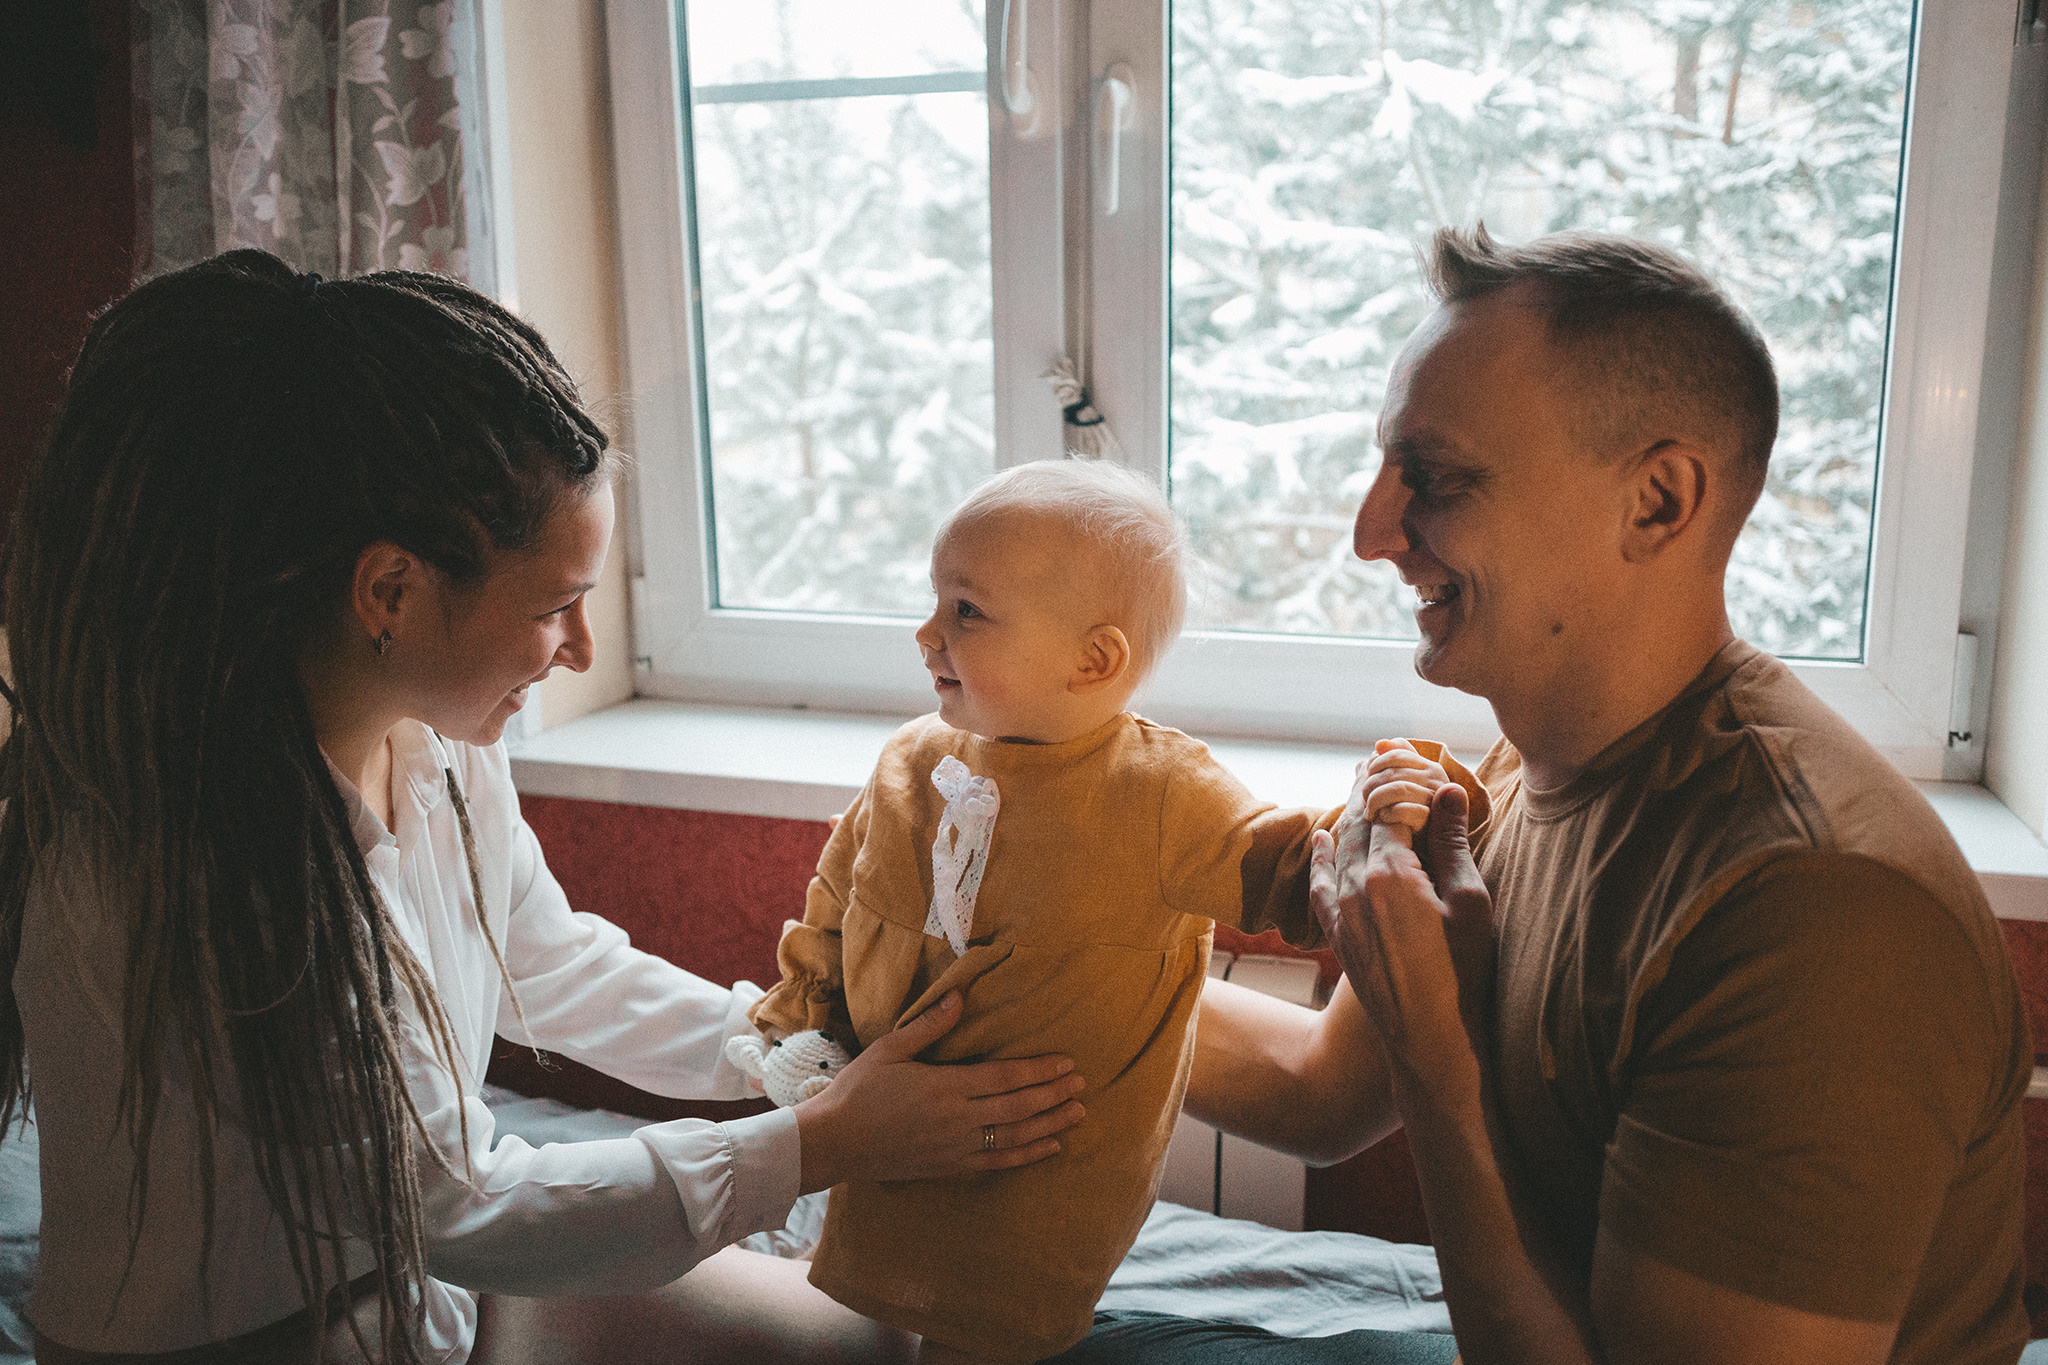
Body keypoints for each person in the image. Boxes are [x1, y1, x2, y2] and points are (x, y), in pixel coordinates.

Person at [1, 249, 1087, 1365]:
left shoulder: (434, 738)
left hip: (431, 1298)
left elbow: (552, 964)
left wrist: (796, 1047)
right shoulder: (202, 864)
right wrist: (811, 1144)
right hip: (247, 1346)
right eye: (556, 606)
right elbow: (466, 1201)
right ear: (390, 592)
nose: (578, 651)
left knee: (885, 1343)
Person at [1175, 227, 2031, 1365]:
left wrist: (1439, 1061)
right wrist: (1011, 968)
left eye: (1432, 476)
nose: (1370, 534)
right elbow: (1319, 1092)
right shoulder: (1528, 766)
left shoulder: (1815, 915)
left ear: (1656, 502)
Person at [747, 461, 1480, 1363]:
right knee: (869, 1305)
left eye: (965, 612)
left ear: (1092, 660)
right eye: (935, 601)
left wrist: (1390, 809)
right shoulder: (909, 760)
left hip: (1035, 1175)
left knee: (982, 1331)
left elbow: (1299, 870)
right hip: (888, 1140)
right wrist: (795, 1025)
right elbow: (834, 897)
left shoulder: (1163, 793)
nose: (925, 632)